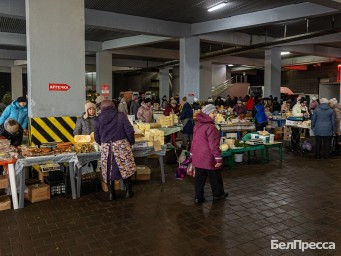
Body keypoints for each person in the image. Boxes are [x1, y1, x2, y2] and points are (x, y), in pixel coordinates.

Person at [94, 100, 136, 200]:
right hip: (121, 146)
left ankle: (111, 194)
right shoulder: (121, 115)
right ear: (113, 106)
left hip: (106, 147)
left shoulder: (98, 119)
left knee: (108, 169)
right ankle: (128, 192)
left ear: (102, 108)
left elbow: (97, 137)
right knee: (125, 167)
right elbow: (129, 130)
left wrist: (104, 144)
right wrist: (130, 142)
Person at [190, 104, 227, 204]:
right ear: (206, 113)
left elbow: (194, 141)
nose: (214, 114)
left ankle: (198, 197)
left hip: (198, 156)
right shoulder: (211, 127)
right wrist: (218, 158)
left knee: (199, 179)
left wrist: (192, 154)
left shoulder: (197, 125)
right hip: (209, 157)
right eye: (212, 112)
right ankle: (218, 194)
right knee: (215, 176)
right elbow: (214, 146)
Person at [74, 102, 98, 172]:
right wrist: (80, 138)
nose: (91, 111)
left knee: (94, 161)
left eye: (93, 109)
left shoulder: (98, 119)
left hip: (95, 144)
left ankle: (93, 174)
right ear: (86, 110)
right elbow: (76, 131)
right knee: (84, 161)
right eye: (89, 109)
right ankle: (84, 175)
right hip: (84, 145)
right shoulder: (80, 119)